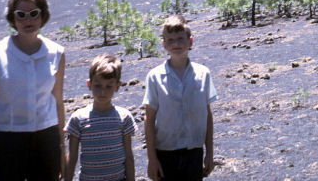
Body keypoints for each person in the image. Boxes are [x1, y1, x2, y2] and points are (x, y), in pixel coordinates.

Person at [0, 0, 66, 181]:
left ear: (43, 16)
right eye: (21, 15)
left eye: (34, 14)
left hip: (46, 139)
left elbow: (58, 102)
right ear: (12, 18)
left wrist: (61, 149)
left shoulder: (56, 53)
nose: (28, 20)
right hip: (9, 140)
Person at [142, 15, 217, 181]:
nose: (176, 44)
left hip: (194, 153)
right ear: (164, 44)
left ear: (190, 41)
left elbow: (207, 115)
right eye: (171, 40)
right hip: (165, 154)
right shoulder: (155, 77)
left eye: (180, 39)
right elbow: (149, 118)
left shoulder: (203, 74)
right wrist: (152, 159)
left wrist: (209, 153)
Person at [64, 54, 137, 181]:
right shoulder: (78, 118)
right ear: (89, 84)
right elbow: (72, 156)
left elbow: (129, 157)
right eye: (98, 85)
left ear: (117, 86)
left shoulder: (124, 117)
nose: (102, 92)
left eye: (109, 86)